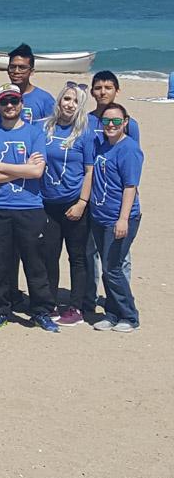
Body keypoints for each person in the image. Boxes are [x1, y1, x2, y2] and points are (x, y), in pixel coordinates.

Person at [0, 83, 55, 332]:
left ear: (21, 103)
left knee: (35, 263)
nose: (9, 106)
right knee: (1, 265)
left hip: (30, 207)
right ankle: (0, 310)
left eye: (14, 101)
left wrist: (2, 166)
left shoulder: (35, 133)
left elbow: (37, 171)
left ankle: (41, 311)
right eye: (4, 102)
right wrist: (19, 169)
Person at [41, 82, 94, 327]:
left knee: (77, 257)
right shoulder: (44, 128)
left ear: (81, 106)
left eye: (75, 101)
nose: (69, 105)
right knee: (49, 255)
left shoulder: (84, 133)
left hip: (74, 203)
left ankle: (76, 306)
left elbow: (89, 171)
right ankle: (49, 302)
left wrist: (83, 202)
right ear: (59, 100)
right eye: (66, 99)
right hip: (47, 202)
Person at [88, 103, 143, 333]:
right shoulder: (101, 146)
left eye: (116, 121)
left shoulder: (129, 149)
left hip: (120, 218)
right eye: (106, 121)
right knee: (107, 267)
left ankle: (129, 315)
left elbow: (130, 186)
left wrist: (122, 219)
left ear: (125, 123)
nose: (111, 125)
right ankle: (111, 313)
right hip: (99, 216)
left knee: (113, 268)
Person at [4, 44, 55, 123]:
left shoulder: (45, 100)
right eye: (12, 67)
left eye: (22, 68)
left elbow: (51, 129)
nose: (16, 71)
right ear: (7, 70)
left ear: (31, 72)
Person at [88, 71, 141, 144]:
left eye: (108, 88)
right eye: (98, 88)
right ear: (92, 92)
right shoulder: (84, 121)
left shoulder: (128, 124)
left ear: (117, 91)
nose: (103, 92)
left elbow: (133, 151)